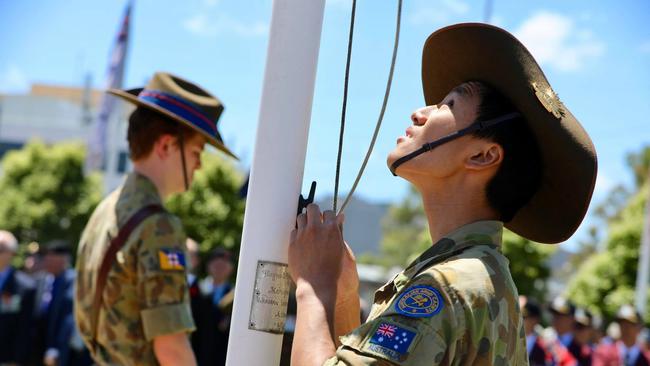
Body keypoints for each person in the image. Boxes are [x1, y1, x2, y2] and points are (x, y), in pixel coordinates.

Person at [287, 23, 597, 365]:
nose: (420, 113)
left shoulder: (443, 286)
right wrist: (345, 296)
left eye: (447, 103)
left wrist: (313, 287)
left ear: (483, 155)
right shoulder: (483, 277)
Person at [75, 72, 236, 366]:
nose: (200, 164)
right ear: (166, 146)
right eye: (196, 151)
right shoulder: (158, 226)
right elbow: (171, 347)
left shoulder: (105, 210)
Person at [192, 248, 234, 365]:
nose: (219, 268)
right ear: (208, 266)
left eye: (224, 265)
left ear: (231, 268)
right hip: (195, 356)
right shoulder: (195, 290)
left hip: (222, 359)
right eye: (216, 264)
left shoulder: (237, 296)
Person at [0, 230, 36, 365]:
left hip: (7, 358)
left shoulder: (25, 286)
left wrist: (17, 360)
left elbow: (25, 329)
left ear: (12, 253)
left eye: (0, 248)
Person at [520, 296, 553, 366]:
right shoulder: (508, 340)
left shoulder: (544, 348)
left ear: (535, 320)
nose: (519, 320)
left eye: (523, 316)